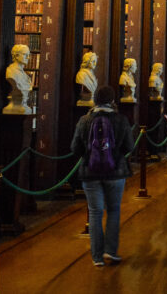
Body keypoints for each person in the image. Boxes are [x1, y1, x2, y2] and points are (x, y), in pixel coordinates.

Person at [70, 85, 134, 267]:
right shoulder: (121, 120)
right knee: (113, 210)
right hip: (115, 173)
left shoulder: (84, 120)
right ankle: (110, 251)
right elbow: (129, 146)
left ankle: (96, 257)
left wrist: (91, 155)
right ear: (112, 101)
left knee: (95, 212)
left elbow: (74, 148)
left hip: (90, 173)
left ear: (95, 101)